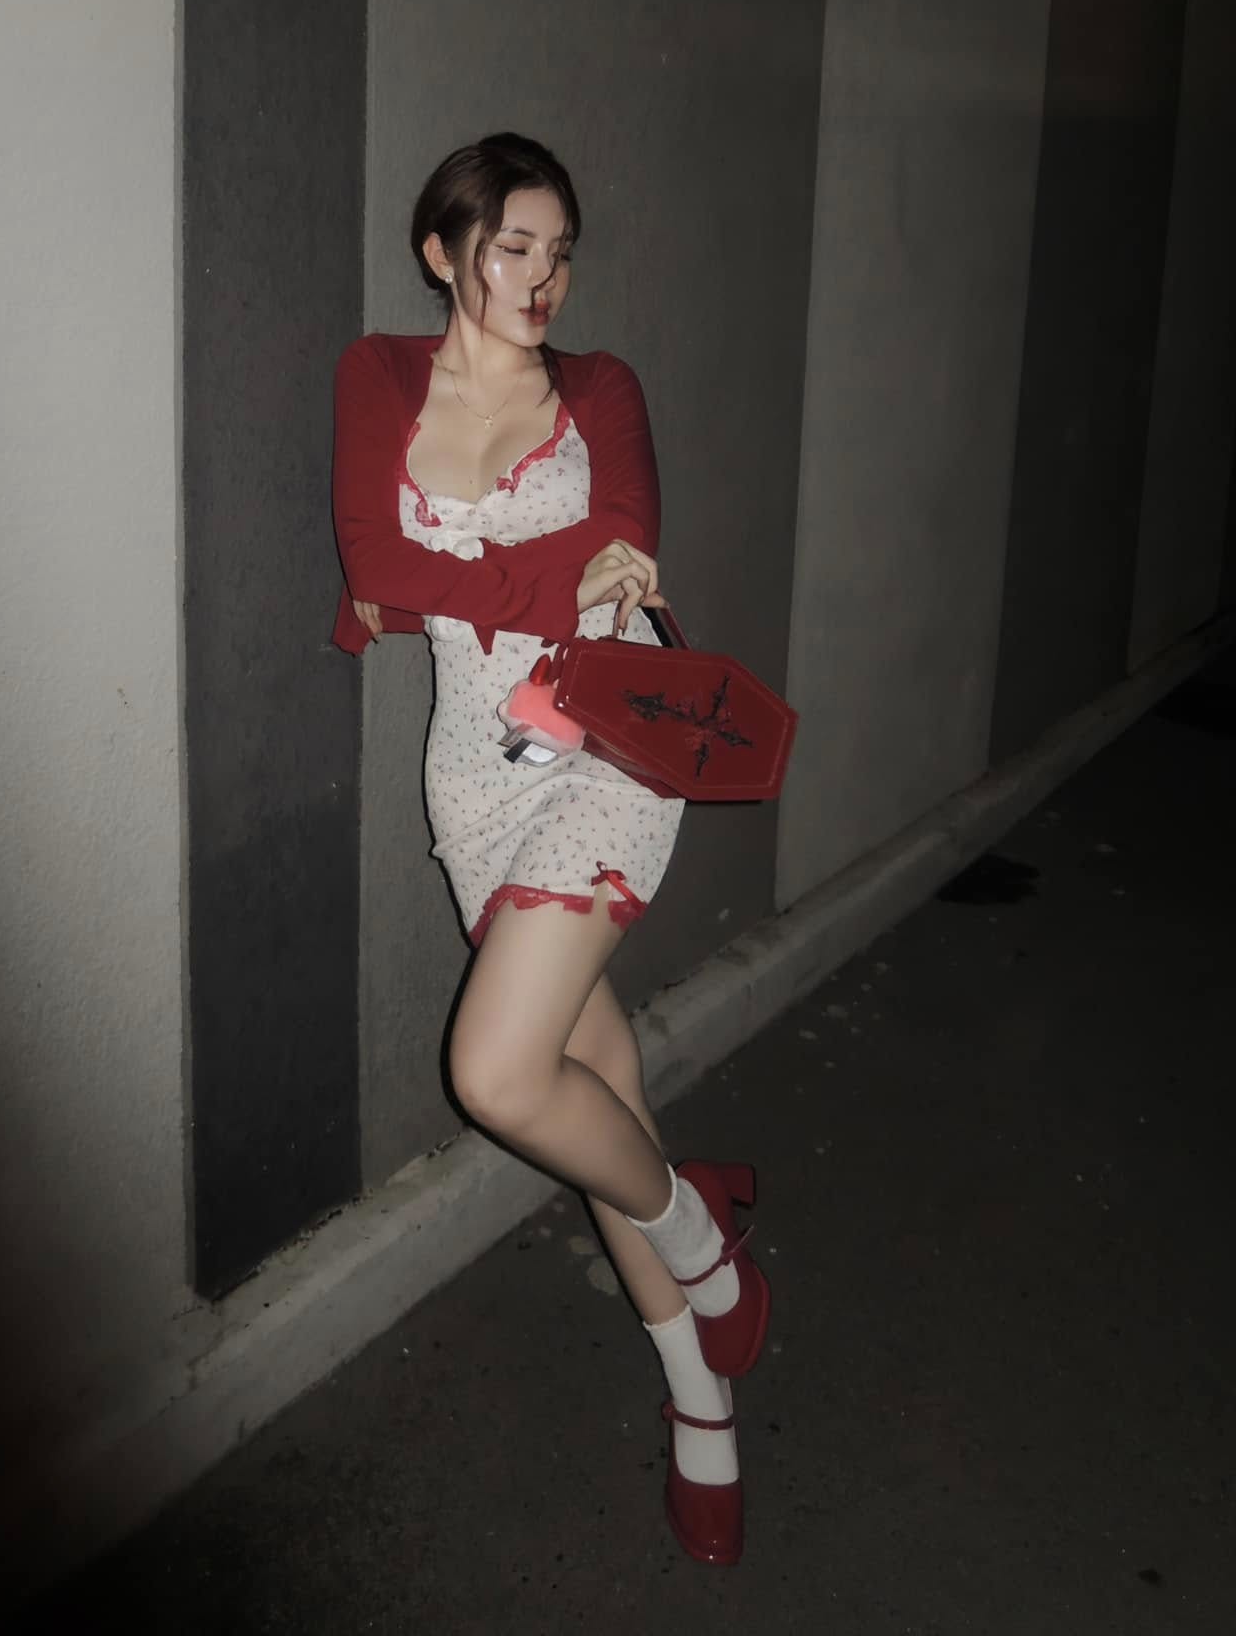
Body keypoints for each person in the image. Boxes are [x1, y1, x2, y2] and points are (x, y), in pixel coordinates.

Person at [330, 132, 769, 1566]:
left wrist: (458, 584)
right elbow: (376, 564)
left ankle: (692, 1234)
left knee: (497, 1073)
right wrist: (528, 578)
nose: (542, 277)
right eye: (512, 246)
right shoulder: (377, 377)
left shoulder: (603, 391)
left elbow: (619, 546)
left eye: (559, 251)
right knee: (598, 1086)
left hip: (606, 748)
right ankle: (700, 1390)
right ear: (441, 250)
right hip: (474, 776)